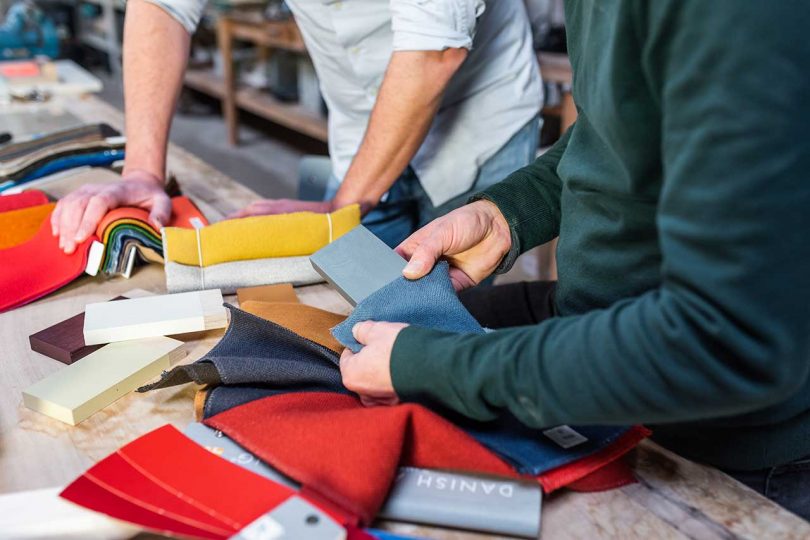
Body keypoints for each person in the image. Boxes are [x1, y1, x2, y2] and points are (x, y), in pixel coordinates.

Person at [338, 1, 810, 521]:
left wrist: (436, 367)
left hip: (728, 443)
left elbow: (727, 341)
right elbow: (609, 136)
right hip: (598, 363)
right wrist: (507, 213)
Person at [51, 0, 542, 253]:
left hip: (478, 123)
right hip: (359, 129)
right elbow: (164, 7)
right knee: (349, 311)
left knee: (445, 320)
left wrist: (343, 208)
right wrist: (142, 171)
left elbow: (435, 49)